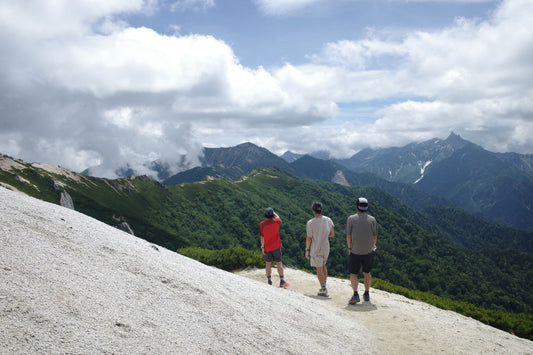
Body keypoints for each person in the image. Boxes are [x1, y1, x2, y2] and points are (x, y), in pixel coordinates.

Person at [345, 197, 377, 304]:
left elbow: (348, 236)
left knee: (353, 273)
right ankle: (367, 293)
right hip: (368, 251)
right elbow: (375, 237)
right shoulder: (372, 220)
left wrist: (349, 248)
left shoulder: (351, 219)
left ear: (356, 206)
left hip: (355, 251)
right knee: (367, 272)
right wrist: (371, 247)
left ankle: (355, 294)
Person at [305, 201, 335, 297]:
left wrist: (307, 250)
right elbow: (332, 234)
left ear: (313, 211)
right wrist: (324, 235)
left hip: (316, 248)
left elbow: (309, 238)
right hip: (326, 247)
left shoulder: (310, 223)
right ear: (321, 210)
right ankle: (324, 285)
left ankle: (323, 289)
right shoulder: (328, 220)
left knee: (319, 269)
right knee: (323, 266)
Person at [259, 207, 289, 287]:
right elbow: (278, 218)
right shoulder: (277, 221)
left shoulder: (262, 224)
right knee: (279, 263)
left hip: (267, 247)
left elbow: (262, 237)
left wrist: (262, 247)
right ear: (273, 214)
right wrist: (275, 214)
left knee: (268, 264)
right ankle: (282, 281)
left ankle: (269, 280)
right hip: (276, 246)